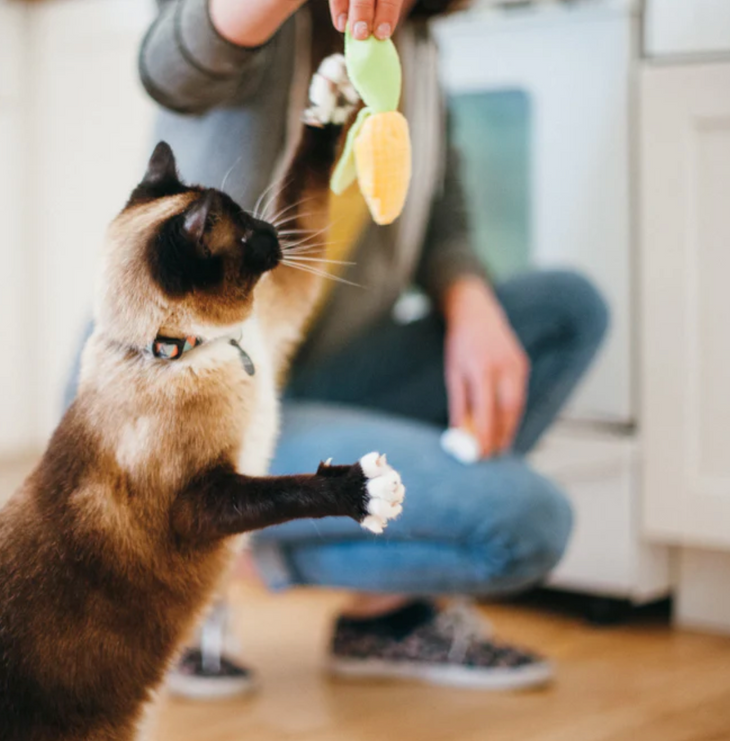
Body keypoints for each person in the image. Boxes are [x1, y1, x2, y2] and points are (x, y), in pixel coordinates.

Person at [69, 0, 609, 696]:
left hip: (332, 369)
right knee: (527, 525)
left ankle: (378, 613)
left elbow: (441, 207)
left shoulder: (412, 40)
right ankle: (202, 553)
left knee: (566, 310)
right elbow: (169, 65)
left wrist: (469, 299)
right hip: (200, 400)